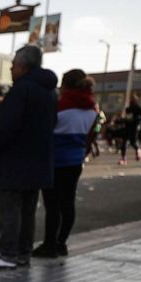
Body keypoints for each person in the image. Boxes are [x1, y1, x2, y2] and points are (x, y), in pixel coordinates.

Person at [0, 45, 57, 270]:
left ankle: (7, 253)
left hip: (15, 160)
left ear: (22, 66)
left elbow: (6, 127)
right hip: (37, 159)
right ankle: (23, 252)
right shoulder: (48, 91)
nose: (11, 69)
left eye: (13, 65)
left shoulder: (21, 90)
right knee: (27, 210)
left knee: (9, 207)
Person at [32, 70, 97, 259]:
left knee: (52, 205)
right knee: (68, 202)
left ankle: (49, 244)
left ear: (65, 85)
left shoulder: (59, 106)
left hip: (55, 160)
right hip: (75, 160)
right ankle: (61, 242)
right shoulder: (92, 109)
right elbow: (90, 137)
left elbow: (44, 132)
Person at [119, 96, 141, 165]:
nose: (131, 101)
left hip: (134, 127)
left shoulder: (138, 108)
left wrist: (137, 120)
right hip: (127, 127)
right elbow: (126, 117)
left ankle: (138, 151)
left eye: (132, 100)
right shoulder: (127, 109)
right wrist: (123, 121)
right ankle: (123, 158)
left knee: (133, 142)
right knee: (124, 143)